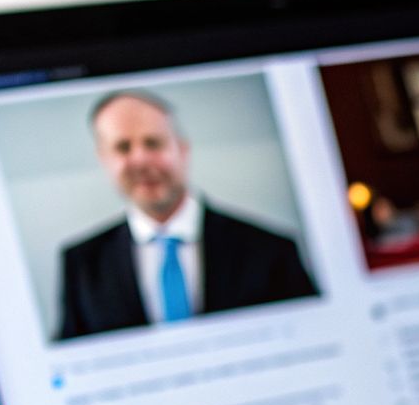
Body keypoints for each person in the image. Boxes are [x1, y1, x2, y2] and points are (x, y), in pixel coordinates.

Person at [56, 89, 317, 340]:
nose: (141, 160)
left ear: (182, 149)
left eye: (153, 143)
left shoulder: (271, 250)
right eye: (123, 147)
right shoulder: (81, 265)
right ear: (104, 159)